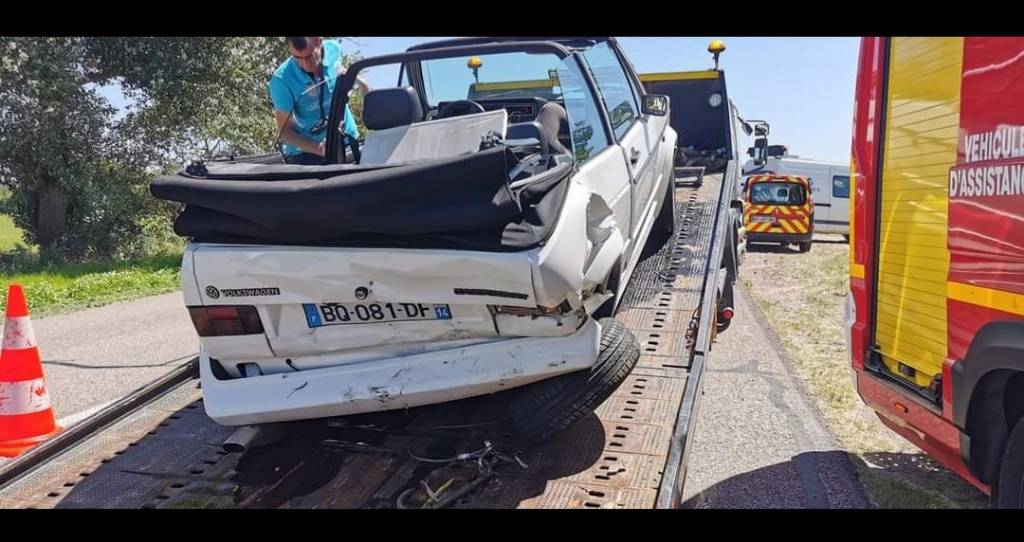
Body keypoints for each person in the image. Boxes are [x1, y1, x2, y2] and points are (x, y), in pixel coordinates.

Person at [269, 37, 370, 165]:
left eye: (309, 56)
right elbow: (285, 131)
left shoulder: (333, 50)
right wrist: (319, 149)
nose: (305, 65)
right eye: (297, 58)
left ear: (319, 41)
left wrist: (362, 84)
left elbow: (355, 83)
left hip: (347, 142)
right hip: (308, 154)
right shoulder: (281, 79)